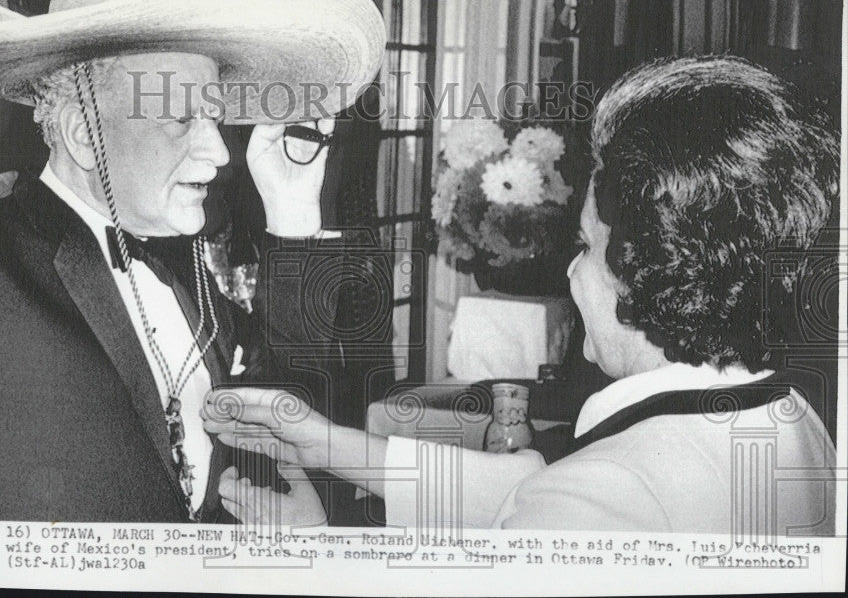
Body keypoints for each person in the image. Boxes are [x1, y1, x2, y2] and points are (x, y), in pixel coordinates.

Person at [203, 56, 839, 534]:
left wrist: (313, 544)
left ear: (650, 268)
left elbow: (565, 499)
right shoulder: (795, 416)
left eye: (587, 248)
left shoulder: (602, 492)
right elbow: (519, 488)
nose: (570, 273)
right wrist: (324, 443)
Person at [0, 0, 384, 523]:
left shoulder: (183, 278)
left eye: (215, 118)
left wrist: (292, 216)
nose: (220, 152)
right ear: (83, 134)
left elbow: (285, 423)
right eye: (180, 116)